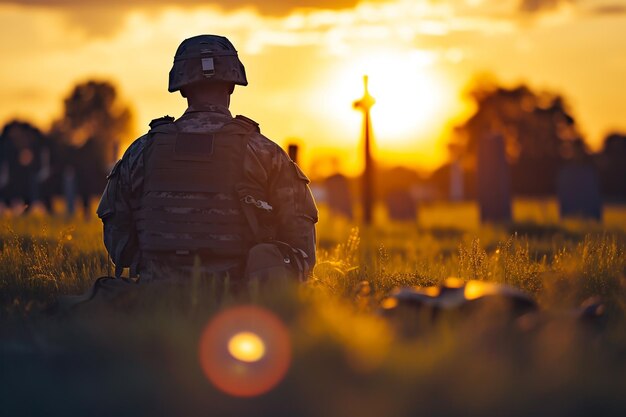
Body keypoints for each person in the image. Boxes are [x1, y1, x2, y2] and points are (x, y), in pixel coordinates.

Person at [96, 35, 318, 287]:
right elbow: (300, 241)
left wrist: (155, 267)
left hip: (156, 293)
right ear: (232, 85)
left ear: (182, 87)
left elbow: (117, 236)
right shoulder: (263, 151)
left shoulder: (141, 151)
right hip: (242, 297)